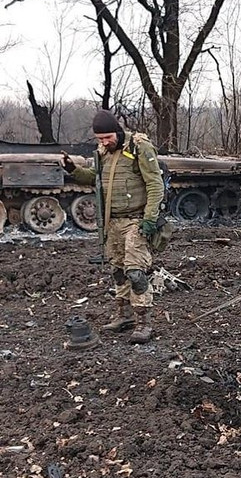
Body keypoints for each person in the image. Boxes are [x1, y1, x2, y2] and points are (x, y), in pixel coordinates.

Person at [62, 110, 164, 344]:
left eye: (108, 137)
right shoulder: (102, 152)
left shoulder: (139, 147)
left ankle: (143, 322)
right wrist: (72, 169)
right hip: (113, 222)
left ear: (117, 131)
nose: (105, 142)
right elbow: (94, 178)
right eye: (100, 138)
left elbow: (155, 185)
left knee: (135, 271)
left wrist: (149, 219)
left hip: (136, 220)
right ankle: (124, 314)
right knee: (117, 270)